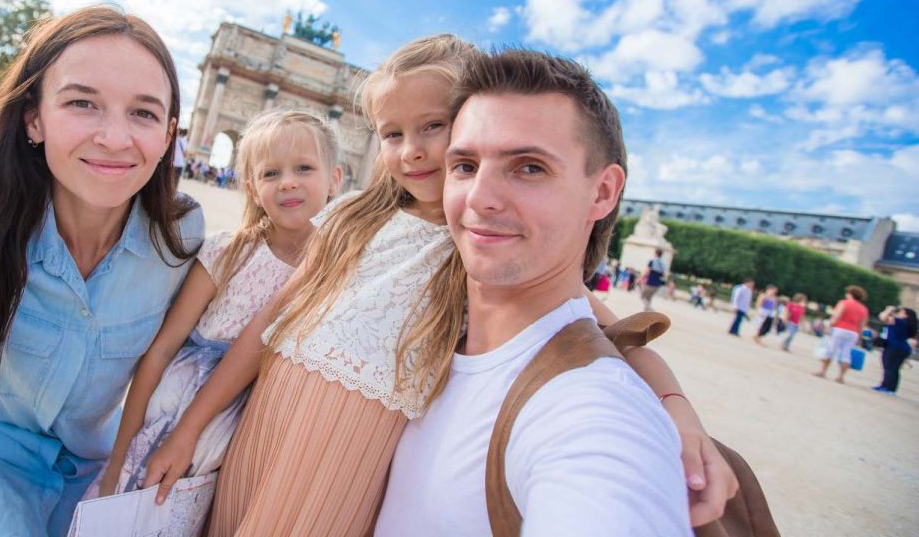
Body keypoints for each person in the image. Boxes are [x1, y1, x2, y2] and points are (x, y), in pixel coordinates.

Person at [145, 36, 734, 536]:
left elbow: (606, 333)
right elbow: (264, 329)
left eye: (434, 127)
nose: (413, 151)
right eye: (392, 134)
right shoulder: (351, 215)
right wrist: (190, 429)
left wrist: (680, 417)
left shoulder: (475, 246)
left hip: (343, 456)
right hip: (266, 421)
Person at [0, 7, 204, 536]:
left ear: (170, 132)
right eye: (83, 103)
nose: (114, 137)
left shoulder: (179, 233)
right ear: (32, 117)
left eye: (144, 113)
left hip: (86, 473)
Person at [376, 49, 708, 535]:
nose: (480, 198)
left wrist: (674, 402)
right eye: (465, 166)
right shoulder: (433, 341)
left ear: (603, 192)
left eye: (529, 167)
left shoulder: (598, 419)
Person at [89, 111, 342, 499]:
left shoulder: (339, 275)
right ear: (253, 189)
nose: (288, 181)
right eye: (270, 173)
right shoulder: (227, 252)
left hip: (252, 441)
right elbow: (160, 351)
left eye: (304, 168)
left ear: (335, 180)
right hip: (169, 421)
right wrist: (116, 460)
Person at [814, 285, 870, 384]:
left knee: (830, 350)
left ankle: (823, 371)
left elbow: (837, 316)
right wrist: (859, 336)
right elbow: (862, 324)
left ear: (850, 294)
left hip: (840, 329)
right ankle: (840, 377)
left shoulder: (844, 303)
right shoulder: (864, 309)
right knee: (846, 355)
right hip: (853, 332)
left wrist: (829, 325)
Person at [873, 306, 917, 395]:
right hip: (902, 347)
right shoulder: (907, 324)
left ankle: (886, 386)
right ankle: (890, 388)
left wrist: (888, 310)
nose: (898, 313)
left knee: (889, 367)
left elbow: (883, 317)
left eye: (901, 312)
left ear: (905, 315)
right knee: (894, 369)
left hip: (893, 347)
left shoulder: (899, 321)